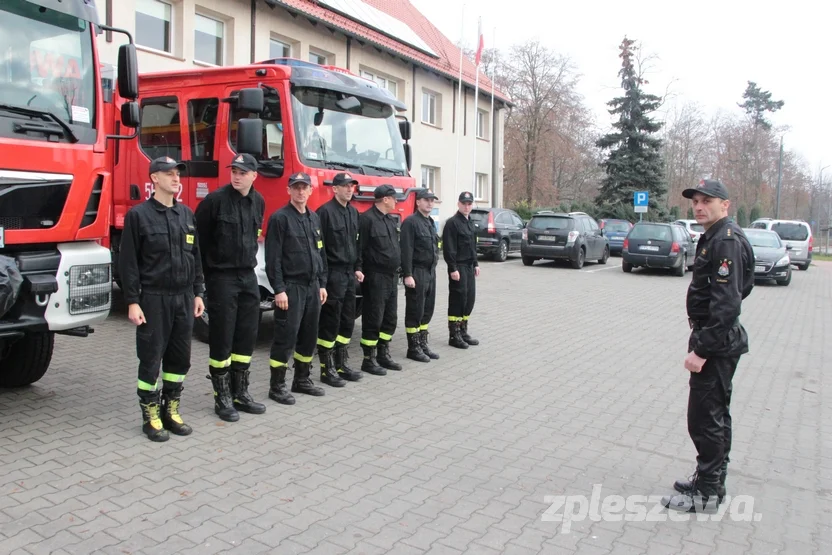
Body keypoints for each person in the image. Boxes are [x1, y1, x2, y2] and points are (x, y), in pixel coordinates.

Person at [662, 179, 754, 514]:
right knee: (714, 414)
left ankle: (707, 492)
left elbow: (729, 302)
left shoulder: (725, 240)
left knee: (704, 418)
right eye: (696, 202)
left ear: (725, 205)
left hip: (715, 342)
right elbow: (744, 287)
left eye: (707, 201)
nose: (700, 207)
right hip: (716, 337)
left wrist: (702, 349)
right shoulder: (715, 236)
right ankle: (711, 480)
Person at [120, 157, 205, 442]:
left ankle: (171, 410)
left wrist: (198, 292)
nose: (176, 179)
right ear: (154, 178)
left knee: (180, 358)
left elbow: (196, 257)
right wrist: (132, 300)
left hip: (183, 297)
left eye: (178, 174)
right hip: (154, 298)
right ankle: (150, 415)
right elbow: (128, 262)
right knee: (151, 358)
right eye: (169, 174)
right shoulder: (139, 216)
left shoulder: (186, 215)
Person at [194, 153, 267, 423]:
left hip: (248, 277)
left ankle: (241, 392)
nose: (236, 176)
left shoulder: (258, 201)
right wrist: (199, 284)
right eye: (234, 171)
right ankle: (222, 397)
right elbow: (197, 244)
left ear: (253, 176)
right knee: (222, 336)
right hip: (221, 277)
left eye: (242, 172)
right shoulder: (214, 201)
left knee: (247, 336)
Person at [265, 172, 328, 404]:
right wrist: (279, 289)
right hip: (291, 288)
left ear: (311, 191)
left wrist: (322, 283)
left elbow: (321, 253)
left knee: (309, 335)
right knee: (286, 336)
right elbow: (273, 258)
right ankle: (277, 385)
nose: (301, 191)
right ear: (288, 190)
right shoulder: (280, 218)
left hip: (312, 287)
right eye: (296, 187)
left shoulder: (314, 218)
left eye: (305, 187)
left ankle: (302, 379)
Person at [316, 173, 364, 387]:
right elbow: (319, 249)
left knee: (347, 320)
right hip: (333, 273)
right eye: (344, 186)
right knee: (330, 322)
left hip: (348, 274)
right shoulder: (324, 213)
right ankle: (327, 369)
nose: (349, 189)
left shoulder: (354, 213)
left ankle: (342, 363)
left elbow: (356, 244)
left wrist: (358, 267)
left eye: (351, 186)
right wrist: (322, 280)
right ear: (334, 189)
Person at [356, 185, 402, 375]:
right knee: (374, 317)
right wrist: (358, 269)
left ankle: (383, 354)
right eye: (394, 198)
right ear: (385, 199)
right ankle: (369, 359)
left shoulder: (390, 220)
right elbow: (359, 248)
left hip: (392, 277)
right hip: (375, 276)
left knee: (390, 318)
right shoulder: (367, 220)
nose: (396, 201)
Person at [400, 189, 441, 362]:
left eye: (432, 200)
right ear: (418, 202)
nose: (430, 203)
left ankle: (422, 343)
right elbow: (406, 250)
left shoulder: (430, 222)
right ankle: (413, 347)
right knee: (415, 310)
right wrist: (407, 274)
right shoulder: (411, 222)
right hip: (417, 272)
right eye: (426, 200)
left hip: (430, 272)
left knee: (427, 310)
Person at [442, 191, 480, 349]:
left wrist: (476, 264)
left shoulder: (470, 222)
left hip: (469, 267)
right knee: (458, 300)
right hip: (458, 267)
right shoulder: (452, 223)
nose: (466, 206)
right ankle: (454, 335)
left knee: (469, 300)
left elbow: (472, 246)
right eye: (464, 203)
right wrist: (453, 268)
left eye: (469, 203)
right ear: (458, 204)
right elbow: (449, 248)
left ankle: (463, 331)